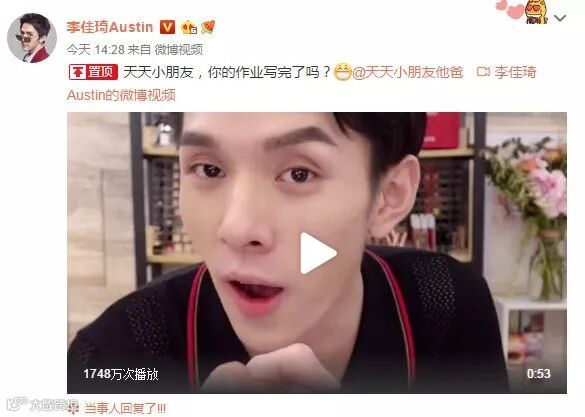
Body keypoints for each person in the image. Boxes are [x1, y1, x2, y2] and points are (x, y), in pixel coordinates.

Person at [68, 113, 509, 393]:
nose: (236, 229)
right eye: (209, 169)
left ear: (389, 196)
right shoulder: (115, 355)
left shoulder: (447, 304)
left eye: (299, 173)